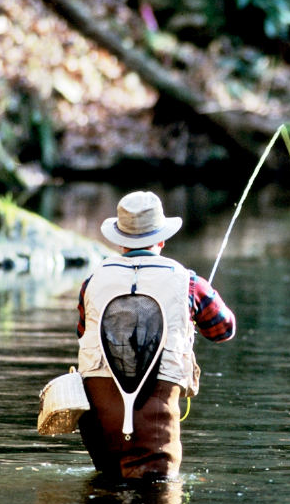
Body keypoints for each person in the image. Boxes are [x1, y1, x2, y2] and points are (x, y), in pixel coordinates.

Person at [75, 191, 236, 479]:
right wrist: (190, 321)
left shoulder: (92, 282)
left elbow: (83, 332)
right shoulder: (188, 282)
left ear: (120, 241)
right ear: (161, 240)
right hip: (155, 424)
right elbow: (224, 329)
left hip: (99, 429)